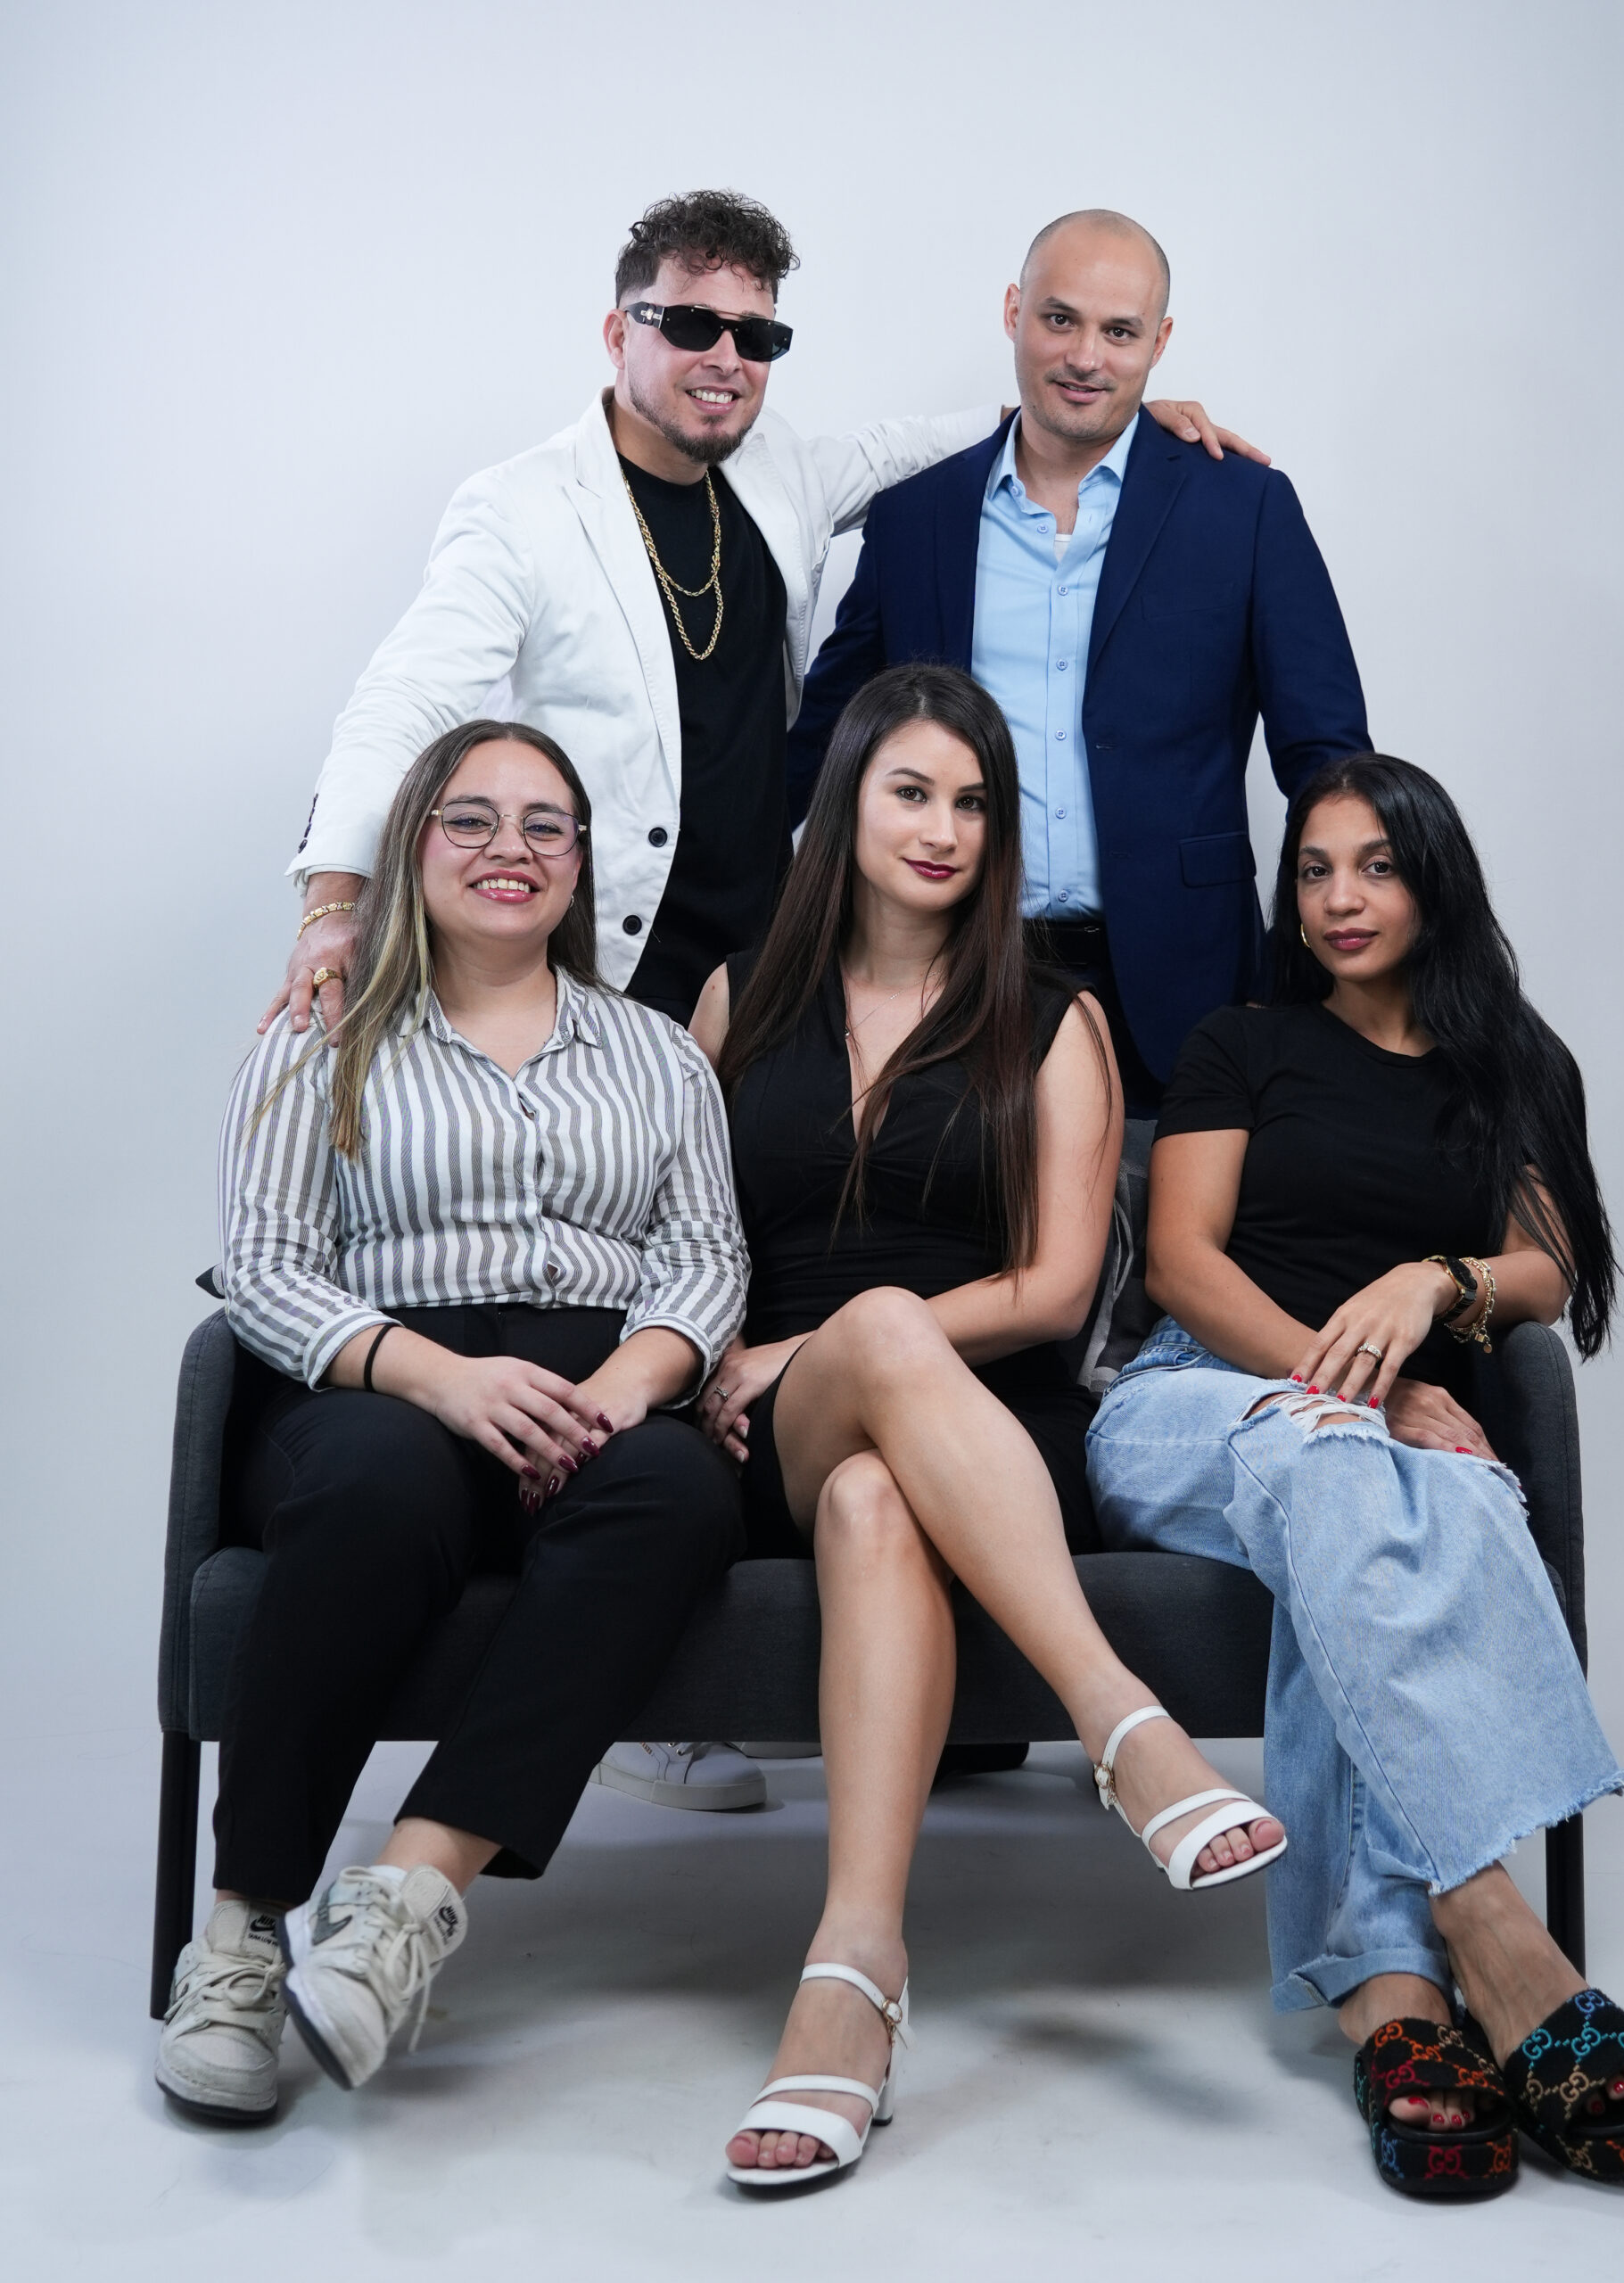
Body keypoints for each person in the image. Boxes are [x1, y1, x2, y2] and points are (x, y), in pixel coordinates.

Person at [268, 187, 1253, 1809]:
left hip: (772, 941)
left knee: (780, 1260)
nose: (724, 358)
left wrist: (1121, 413)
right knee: (651, 1282)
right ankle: (658, 1672)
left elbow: (951, 436)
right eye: (688, 325)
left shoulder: (784, 469)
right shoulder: (519, 510)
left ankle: (932, 1686)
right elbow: (411, 693)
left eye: (755, 334)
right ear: (620, 329)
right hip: (622, 961)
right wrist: (334, 897)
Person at [684, 663, 1287, 2190]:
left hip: (987, 1432)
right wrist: (759, 1355)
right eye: (911, 791)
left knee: (877, 1491)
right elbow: (679, 1236)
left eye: (973, 802)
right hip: (770, 1420)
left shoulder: (1056, 1016)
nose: (944, 828)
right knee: (863, 1377)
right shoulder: (737, 996)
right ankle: (1125, 1730)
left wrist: (841, 1336)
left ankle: (853, 1973)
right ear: (847, 802)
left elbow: (1056, 1286)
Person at [1085, 753, 1624, 2194]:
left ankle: (1390, 1994)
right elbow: (1182, 1266)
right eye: (1313, 870)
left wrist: (1431, 1284)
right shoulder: (1242, 1044)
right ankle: (1494, 1934)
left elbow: (1545, 1268)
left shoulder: (1514, 1065)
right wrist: (1351, 1382)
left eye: (1374, 866)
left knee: (1402, 1504)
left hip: (1370, 1448)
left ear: (1434, 878)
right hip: (1195, 1404)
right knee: (1337, 1459)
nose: (1340, 898)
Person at [156, 721, 749, 2125]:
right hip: (375, 1384)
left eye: (546, 825)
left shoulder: (658, 1054)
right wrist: (439, 1377)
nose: (510, 850)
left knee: (678, 1492)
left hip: (590, 1384)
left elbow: (705, 1256)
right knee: (381, 1485)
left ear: (582, 864)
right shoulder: (322, 1034)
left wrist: (628, 1385)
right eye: (471, 819)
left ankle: (407, 1900)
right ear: (414, 843)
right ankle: (241, 1934)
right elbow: (265, 1267)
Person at [787, 208, 1371, 1113]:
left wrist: (1325, 974)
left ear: (1159, 342)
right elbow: (825, 745)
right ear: (1013, 312)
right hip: (953, 973)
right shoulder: (915, 518)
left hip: (1189, 981)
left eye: (1119, 332)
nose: (1085, 357)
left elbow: (1328, 762)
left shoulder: (1243, 508)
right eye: (1059, 319)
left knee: (1166, 1211)